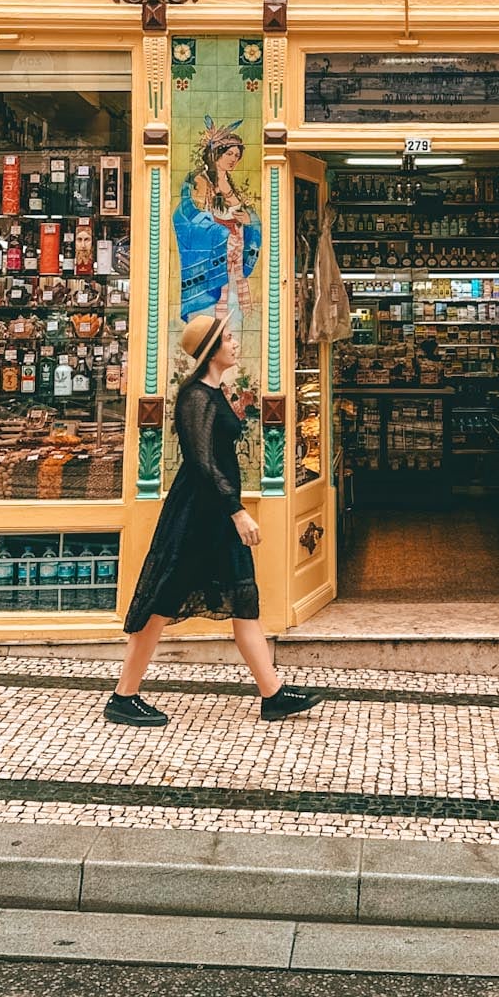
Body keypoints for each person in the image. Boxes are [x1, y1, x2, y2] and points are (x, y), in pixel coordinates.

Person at [104, 312, 319, 727]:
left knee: (244, 602)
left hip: (217, 515)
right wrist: (237, 511)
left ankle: (272, 694)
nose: (236, 344)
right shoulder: (196, 398)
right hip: (199, 518)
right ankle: (123, 696)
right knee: (161, 602)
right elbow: (203, 463)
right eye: (229, 338)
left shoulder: (213, 392)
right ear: (211, 350)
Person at [173, 118, 262, 319]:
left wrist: (250, 221)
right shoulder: (200, 180)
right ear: (216, 154)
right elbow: (188, 216)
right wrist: (221, 232)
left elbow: (248, 215)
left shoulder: (231, 183)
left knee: (233, 312)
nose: (233, 159)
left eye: (237, 156)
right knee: (213, 315)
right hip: (215, 255)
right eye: (229, 153)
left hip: (235, 255)